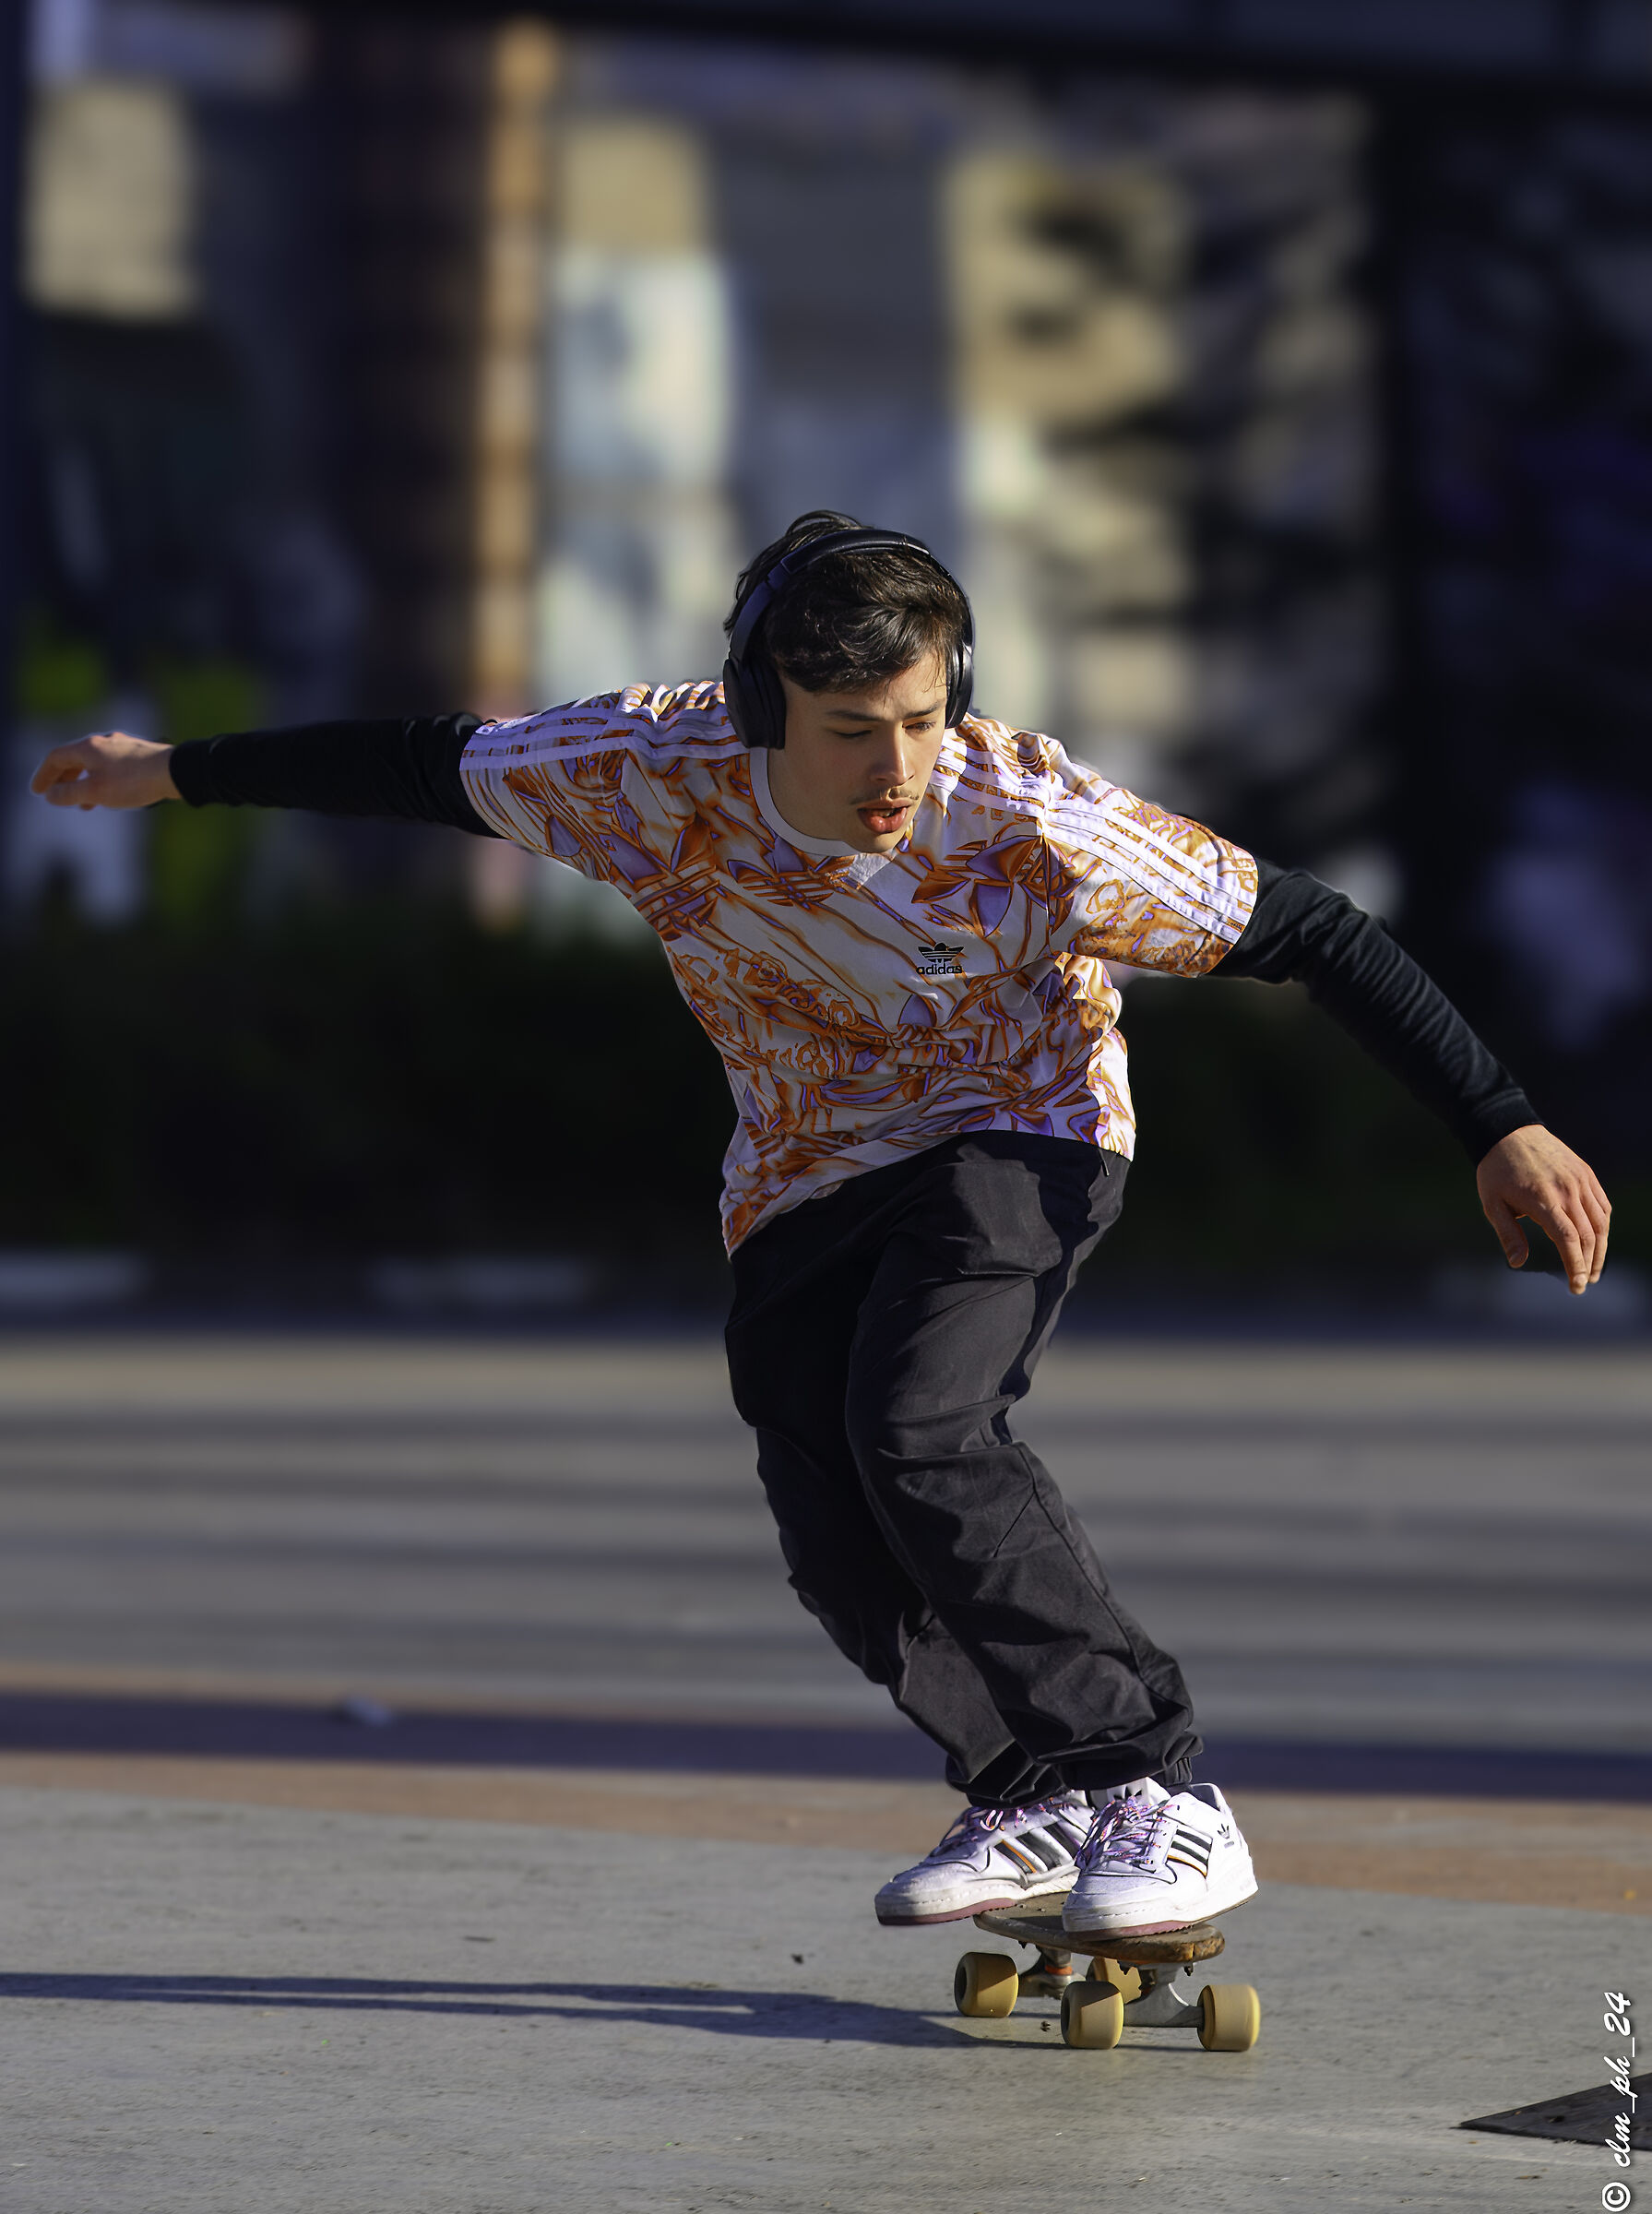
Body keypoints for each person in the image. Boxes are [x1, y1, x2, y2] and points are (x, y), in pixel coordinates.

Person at [30, 512, 1611, 1937]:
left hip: (1026, 1125)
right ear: (755, 706)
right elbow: (413, 762)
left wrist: (1501, 1121)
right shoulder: (640, 773)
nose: (897, 773)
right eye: (853, 732)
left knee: (920, 1423)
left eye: (924, 720)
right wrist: (165, 771)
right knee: (829, 1519)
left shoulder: (1027, 815)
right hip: (803, 1163)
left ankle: (1156, 1786)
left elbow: (1319, 929)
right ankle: (1031, 1791)